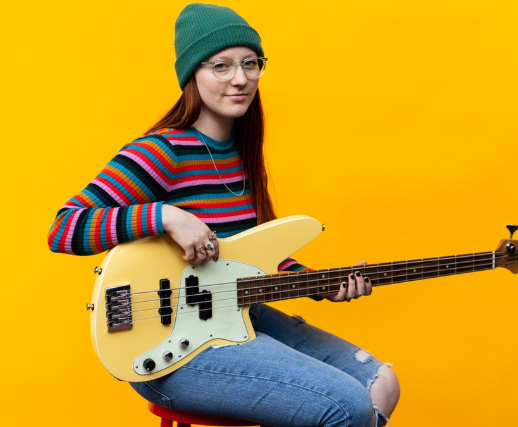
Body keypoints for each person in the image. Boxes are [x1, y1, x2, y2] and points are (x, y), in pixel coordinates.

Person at [47, 4, 400, 426]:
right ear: (192, 75)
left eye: (250, 63)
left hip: (238, 314)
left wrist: (321, 283)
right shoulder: (162, 151)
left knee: (382, 383)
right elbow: (65, 228)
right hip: (170, 348)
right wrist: (166, 216)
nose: (240, 78)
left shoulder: (241, 154)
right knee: (345, 406)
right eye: (221, 65)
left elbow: (249, 256)